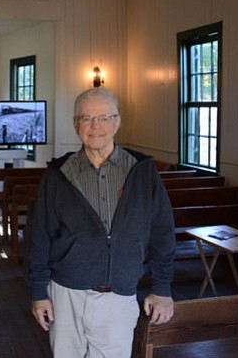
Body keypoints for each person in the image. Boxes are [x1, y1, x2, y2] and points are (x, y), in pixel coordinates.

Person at [28, 87, 175, 358]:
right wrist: (39, 292)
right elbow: (39, 237)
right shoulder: (59, 174)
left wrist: (162, 288)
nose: (95, 126)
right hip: (66, 294)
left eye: (104, 118)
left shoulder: (141, 171)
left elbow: (162, 232)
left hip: (118, 296)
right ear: (76, 125)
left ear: (117, 122)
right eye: (86, 118)